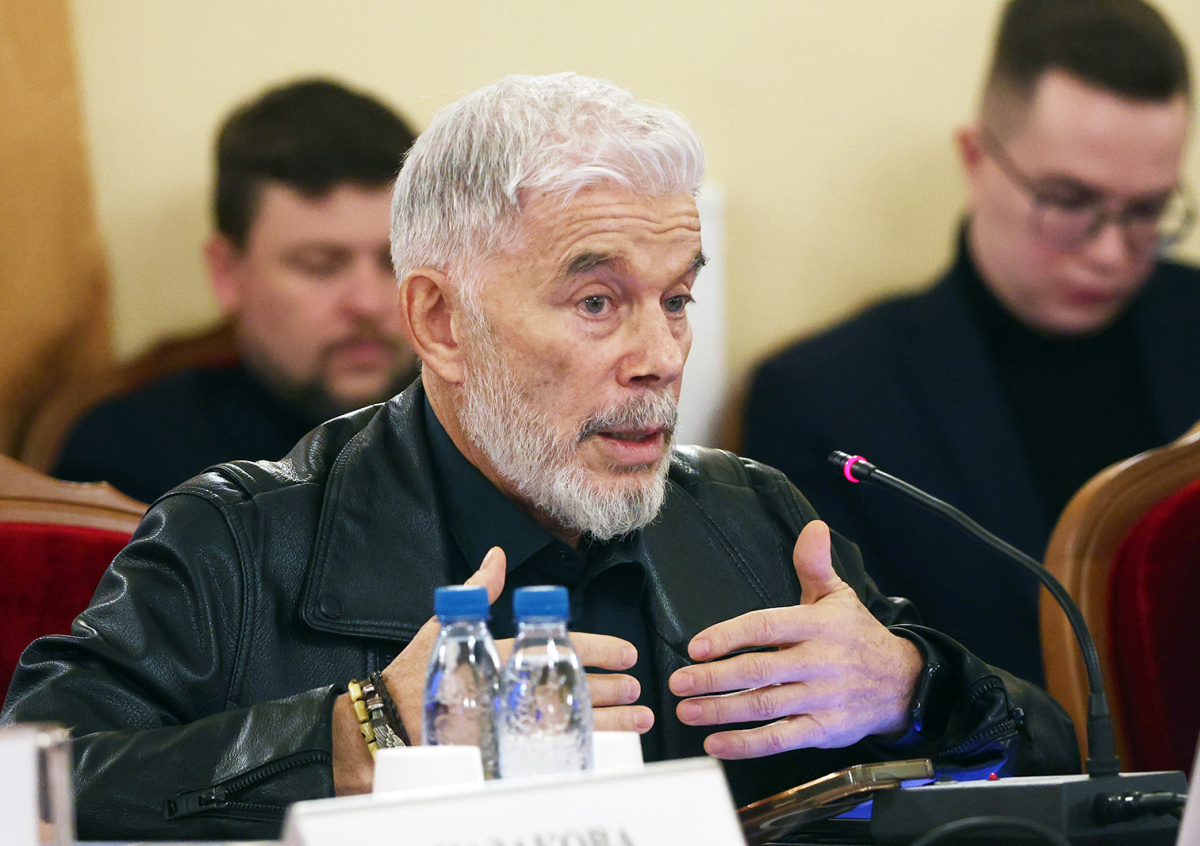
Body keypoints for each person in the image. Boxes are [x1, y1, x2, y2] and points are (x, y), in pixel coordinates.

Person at [2, 73, 1077, 842]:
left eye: (677, 299)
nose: (661, 358)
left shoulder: (754, 517)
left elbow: (1067, 763)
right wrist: (355, 734)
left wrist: (916, 688)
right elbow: (34, 788)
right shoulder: (239, 538)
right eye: (597, 301)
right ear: (440, 322)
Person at [743, 0, 1200, 687]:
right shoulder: (825, 400)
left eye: (1145, 210)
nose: (1110, 252)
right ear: (976, 158)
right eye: (1069, 200)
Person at [52, 78, 420, 504]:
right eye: (320, 265)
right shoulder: (128, 457)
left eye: (395, 261)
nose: (369, 303)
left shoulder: (480, 432)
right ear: (227, 272)